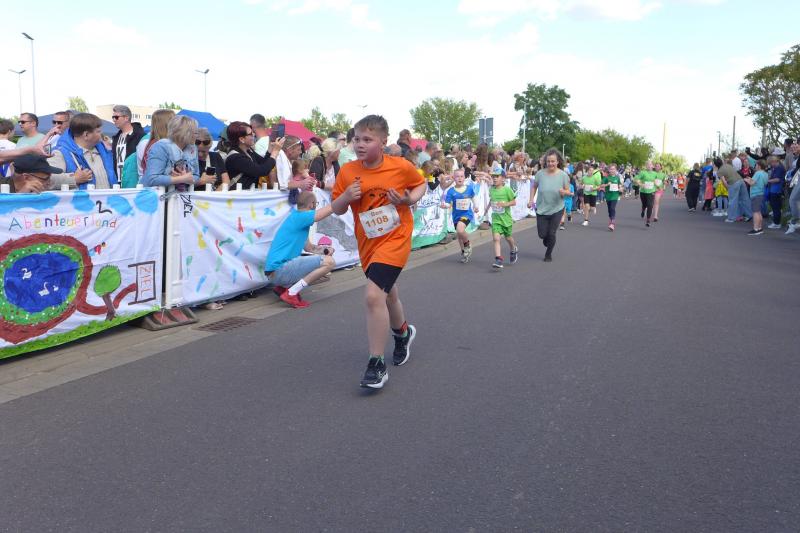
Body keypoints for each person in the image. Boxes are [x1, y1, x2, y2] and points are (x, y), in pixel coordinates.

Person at [330, 115, 427, 389]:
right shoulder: (348, 171)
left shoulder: (400, 166)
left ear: (383, 142)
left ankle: (376, 364)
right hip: (369, 243)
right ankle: (403, 333)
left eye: (367, 139)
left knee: (373, 296)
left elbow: (420, 184)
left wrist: (408, 199)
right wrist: (346, 197)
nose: (360, 144)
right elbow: (336, 207)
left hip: (396, 238)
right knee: (388, 294)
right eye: (356, 139)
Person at [265, 191, 343, 308]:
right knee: (330, 262)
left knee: (323, 260)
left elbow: (310, 248)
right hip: (279, 270)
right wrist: (344, 199)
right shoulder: (301, 216)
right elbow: (322, 213)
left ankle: (283, 287)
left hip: (274, 273)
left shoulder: (296, 219)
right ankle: (291, 293)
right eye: (316, 204)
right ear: (312, 204)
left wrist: (325, 250)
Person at [51, 113, 117, 189]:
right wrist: (74, 179)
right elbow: (48, 179)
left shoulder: (105, 151)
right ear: (86, 135)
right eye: (98, 131)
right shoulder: (60, 153)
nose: (101, 134)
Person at [529, 148, 571, 261]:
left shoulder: (563, 175)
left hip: (557, 208)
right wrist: (531, 200)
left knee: (552, 233)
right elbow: (534, 187)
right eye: (548, 161)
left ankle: (548, 254)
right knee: (542, 235)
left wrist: (564, 192)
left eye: (553, 161)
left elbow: (568, 191)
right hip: (542, 208)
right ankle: (548, 240)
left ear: (557, 162)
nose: (550, 163)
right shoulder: (540, 174)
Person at [140, 115, 200, 188]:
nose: (197, 136)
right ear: (185, 133)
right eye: (195, 133)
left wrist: (189, 179)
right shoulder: (161, 147)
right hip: (154, 194)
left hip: (178, 194)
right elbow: (152, 179)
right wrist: (181, 179)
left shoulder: (193, 149)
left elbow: (196, 176)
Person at [224, 121, 280, 189]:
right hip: (236, 195)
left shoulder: (248, 151)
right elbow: (261, 171)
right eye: (250, 134)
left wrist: (270, 147)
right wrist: (275, 151)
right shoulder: (235, 157)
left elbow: (263, 163)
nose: (254, 134)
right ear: (242, 139)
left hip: (247, 193)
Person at [441, 168, 480, 263]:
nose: (460, 178)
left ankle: (467, 244)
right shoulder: (451, 191)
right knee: (459, 235)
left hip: (467, 214)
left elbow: (473, 197)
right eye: (457, 176)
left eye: (462, 176)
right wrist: (445, 206)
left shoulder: (469, 188)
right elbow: (448, 203)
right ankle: (464, 252)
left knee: (460, 230)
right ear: (454, 178)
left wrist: (476, 206)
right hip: (456, 216)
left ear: (464, 178)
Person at [484, 167, 518, 269]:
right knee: (496, 238)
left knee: (508, 237)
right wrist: (487, 209)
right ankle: (498, 259)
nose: (494, 178)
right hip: (496, 219)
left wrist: (505, 204)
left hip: (506, 219)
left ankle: (513, 249)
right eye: (493, 176)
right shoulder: (491, 189)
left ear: (503, 178)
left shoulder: (507, 190)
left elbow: (514, 202)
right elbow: (492, 200)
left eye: (497, 176)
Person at [110, 105, 145, 182]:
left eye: (116, 117)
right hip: (117, 182)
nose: (114, 120)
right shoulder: (116, 138)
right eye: (113, 117)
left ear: (126, 118)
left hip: (134, 181)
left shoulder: (140, 136)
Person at [718, 155, 752, 223]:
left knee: (732, 200)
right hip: (741, 180)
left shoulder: (719, 171)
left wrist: (728, 188)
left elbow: (724, 182)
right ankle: (749, 215)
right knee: (744, 199)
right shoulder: (728, 165)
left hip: (733, 183)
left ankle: (731, 218)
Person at [744, 160, 768, 235]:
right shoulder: (765, 174)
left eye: (756, 165)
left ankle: (756, 229)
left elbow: (752, 183)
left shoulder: (758, 173)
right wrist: (750, 179)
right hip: (761, 193)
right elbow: (761, 182)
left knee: (755, 212)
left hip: (755, 194)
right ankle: (759, 228)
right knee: (758, 212)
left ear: (759, 166)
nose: (755, 166)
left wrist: (746, 180)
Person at [600, 163, 622, 231]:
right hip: (608, 196)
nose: (612, 170)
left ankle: (612, 223)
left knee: (612, 208)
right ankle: (610, 219)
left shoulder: (617, 178)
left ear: (616, 170)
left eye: (614, 169)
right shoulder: (606, 178)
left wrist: (621, 189)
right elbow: (601, 185)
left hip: (615, 195)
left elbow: (620, 185)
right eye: (611, 169)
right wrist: (607, 184)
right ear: (609, 170)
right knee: (610, 209)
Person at [635, 161, 657, 227]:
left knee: (650, 205)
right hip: (643, 192)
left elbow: (657, 181)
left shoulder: (655, 173)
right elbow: (636, 178)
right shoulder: (643, 172)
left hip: (652, 191)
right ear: (646, 166)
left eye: (650, 165)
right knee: (644, 204)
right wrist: (640, 184)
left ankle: (648, 220)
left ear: (652, 166)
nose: (649, 166)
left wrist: (658, 184)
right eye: (647, 165)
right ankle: (643, 209)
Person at [766, 156, 785, 229]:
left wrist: (767, 181)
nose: (770, 165)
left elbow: (777, 179)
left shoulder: (779, 168)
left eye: (770, 163)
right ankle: (776, 222)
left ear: (774, 161)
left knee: (776, 207)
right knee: (775, 206)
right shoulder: (776, 168)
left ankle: (776, 223)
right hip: (774, 189)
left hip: (776, 190)